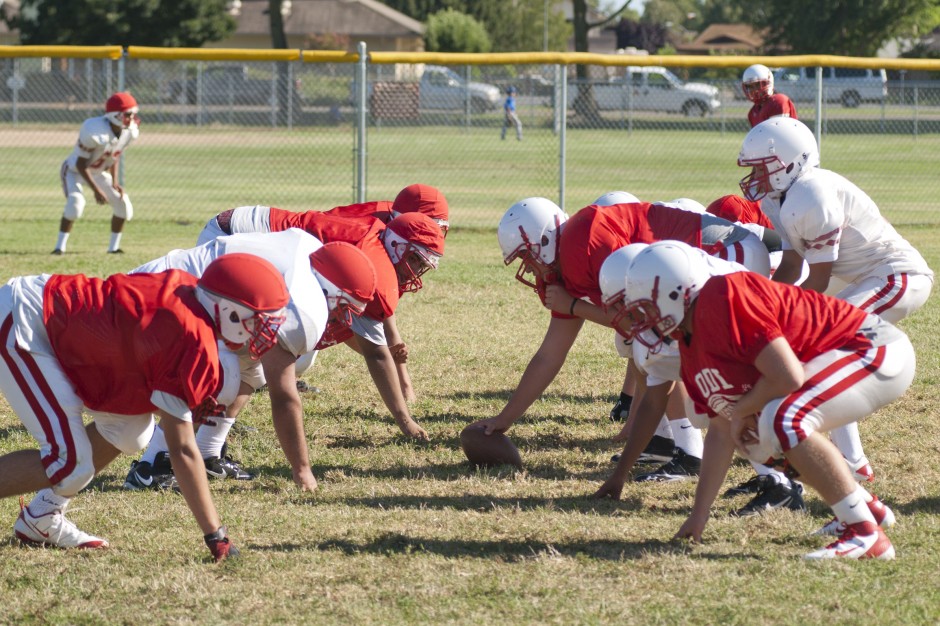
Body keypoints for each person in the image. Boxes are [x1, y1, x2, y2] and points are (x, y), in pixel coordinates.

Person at [622, 241, 914, 559]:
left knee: (780, 419)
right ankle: (865, 508)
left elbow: (787, 376)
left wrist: (742, 409)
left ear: (675, 293)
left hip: (872, 347)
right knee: (757, 439)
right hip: (842, 360)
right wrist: (699, 515)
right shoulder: (691, 352)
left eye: (645, 307)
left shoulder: (723, 296)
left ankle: (865, 534)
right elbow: (721, 433)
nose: (641, 319)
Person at [0, 253, 290, 560]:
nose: (264, 332)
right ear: (228, 311)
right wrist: (215, 535)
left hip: (58, 321)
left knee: (129, 432)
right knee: (68, 462)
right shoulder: (188, 337)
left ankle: (42, 516)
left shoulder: (193, 300)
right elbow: (183, 451)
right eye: (258, 320)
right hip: (26, 321)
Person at [468, 197, 770, 442]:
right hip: (720, 258)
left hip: (732, 251)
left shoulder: (581, 240)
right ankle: (662, 440)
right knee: (646, 344)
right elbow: (550, 354)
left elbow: (640, 321)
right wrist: (504, 418)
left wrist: (575, 306)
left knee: (654, 344)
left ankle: (686, 447)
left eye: (526, 256)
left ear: (544, 241)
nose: (528, 267)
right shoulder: (565, 266)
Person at [738, 118, 934, 490]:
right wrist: (763, 302)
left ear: (791, 162)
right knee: (820, 350)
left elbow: (818, 279)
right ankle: (851, 459)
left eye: (763, 167)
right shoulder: (778, 197)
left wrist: (780, 323)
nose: (757, 177)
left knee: (825, 347)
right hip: (863, 277)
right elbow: (794, 265)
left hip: (896, 275)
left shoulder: (812, 194)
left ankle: (853, 461)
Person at [123, 231, 376, 492]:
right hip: (154, 298)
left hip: (181, 295)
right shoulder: (303, 305)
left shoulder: (312, 257)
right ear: (328, 292)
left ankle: (208, 452)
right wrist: (302, 469)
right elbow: (284, 396)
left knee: (251, 368)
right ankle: (153, 465)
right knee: (221, 374)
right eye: (342, 309)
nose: (340, 320)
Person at [196, 205, 444, 440]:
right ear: (397, 246)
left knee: (256, 362)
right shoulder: (372, 262)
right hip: (232, 239)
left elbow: (365, 338)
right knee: (234, 357)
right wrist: (405, 419)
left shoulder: (378, 245)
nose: (417, 270)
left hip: (248, 247)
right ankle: (179, 440)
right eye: (416, 260)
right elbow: (375, 353)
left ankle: (208, 441)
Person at [196, 184, 449, 246]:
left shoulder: (388, 213)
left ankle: (269, 379)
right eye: (430, 226)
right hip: (236, 232)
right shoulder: (369, 234)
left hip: (262, 230)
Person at [54, 92, 140, 255]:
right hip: (74, 171)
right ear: (116, 115)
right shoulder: (94, 130)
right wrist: (97, 191)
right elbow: (81, 164)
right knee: (75, 204)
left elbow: (115, 155)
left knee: (123, 204)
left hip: (97, 172)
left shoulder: (128, 132)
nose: (132, 118)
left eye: (133, 114)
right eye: (128, 114)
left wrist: (114, 182)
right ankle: (59, 248)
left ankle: (113, 248)